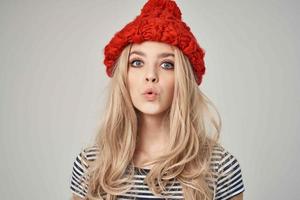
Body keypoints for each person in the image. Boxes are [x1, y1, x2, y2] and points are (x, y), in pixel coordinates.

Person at [69, 0, 245, 199]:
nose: (150, 75)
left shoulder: (219, 168)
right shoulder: (92, 164)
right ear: (123, 76)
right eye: (137, 62)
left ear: (184, 78)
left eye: (167, 65)